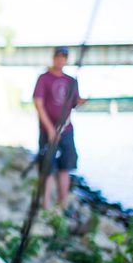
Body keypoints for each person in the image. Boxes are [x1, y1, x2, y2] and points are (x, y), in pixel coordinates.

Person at [33, 47, 86, 210]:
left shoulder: (71, 81)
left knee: (65, 167)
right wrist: (50, 130)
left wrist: (80, 102)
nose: (61, 60)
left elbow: (74, 103)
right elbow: (38, 104)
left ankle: (62, 204)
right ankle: (46, 205)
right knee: (48, 168)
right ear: (54, 58)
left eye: (65, 57)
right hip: (47, 131)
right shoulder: (44, 78)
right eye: (59, 56)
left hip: (66, 130)